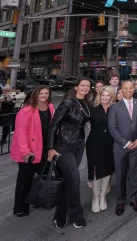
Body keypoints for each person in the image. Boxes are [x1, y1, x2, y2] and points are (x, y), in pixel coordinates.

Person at [47, 78, 92, 230]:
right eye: (83, 85)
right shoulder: (68, 102)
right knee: (75, 180)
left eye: (87, 86)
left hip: (79, 146)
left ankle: (60, 215)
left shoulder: (86, 103)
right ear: (76, 87)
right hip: (64, 147)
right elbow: (53, 125)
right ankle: (76, 215)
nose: (85, 88)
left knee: (69, 181)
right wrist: (50, 148)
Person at [11, 86, 54, 217]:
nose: (44, 95)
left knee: (43, 177)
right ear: (35, 94)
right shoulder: (26, 111)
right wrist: (25, 152)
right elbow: (20, 133)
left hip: (44, 149)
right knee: (25, 180)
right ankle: (21, 207)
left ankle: (39, 200)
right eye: (41, 93)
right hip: (29, 151)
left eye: (46, 93)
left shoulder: (50, 107)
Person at [108, 80, 137, 216]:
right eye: (125, 88)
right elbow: (113, 128)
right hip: (120, 148)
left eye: (131, 88)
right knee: (120, 175)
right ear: (121, 90)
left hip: (136, 145)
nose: (128, 91)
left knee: (134, 174)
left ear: (134, 89)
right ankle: (120, 201)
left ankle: (134, 199)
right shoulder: (115, 107)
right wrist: (125, 143)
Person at [86, 86, 116, 213]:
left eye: (108, 95)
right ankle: (95, 196)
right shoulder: (92, 109)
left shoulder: (115, 109)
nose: (105, 98)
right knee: (95, 169)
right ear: (99, 96)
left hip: (110, 143)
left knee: (107, 168)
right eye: (103, 95)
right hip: (94, 143)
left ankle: (103, 195)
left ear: (112, 97)